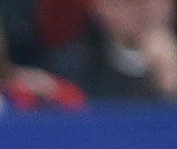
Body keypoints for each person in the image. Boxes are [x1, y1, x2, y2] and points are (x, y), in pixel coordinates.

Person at [49, 0, 177, 100]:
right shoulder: (73, 65)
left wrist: (169, 76)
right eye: (130, 2)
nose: (147, 10)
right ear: (101, 8)